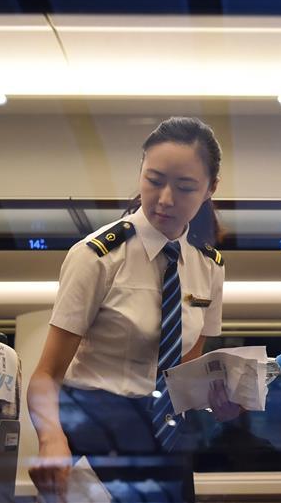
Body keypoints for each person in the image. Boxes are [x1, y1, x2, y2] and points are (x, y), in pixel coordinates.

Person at [27, 117, 239, 503]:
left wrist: (217, 396)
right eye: (154, 180)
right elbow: (46, 374)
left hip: (167, 438)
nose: (165, 199)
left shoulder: (210, 265)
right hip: (96, 430)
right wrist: (50, 437)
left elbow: (184, 373)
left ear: (211, 189)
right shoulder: (98, 257)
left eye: (186, 187)